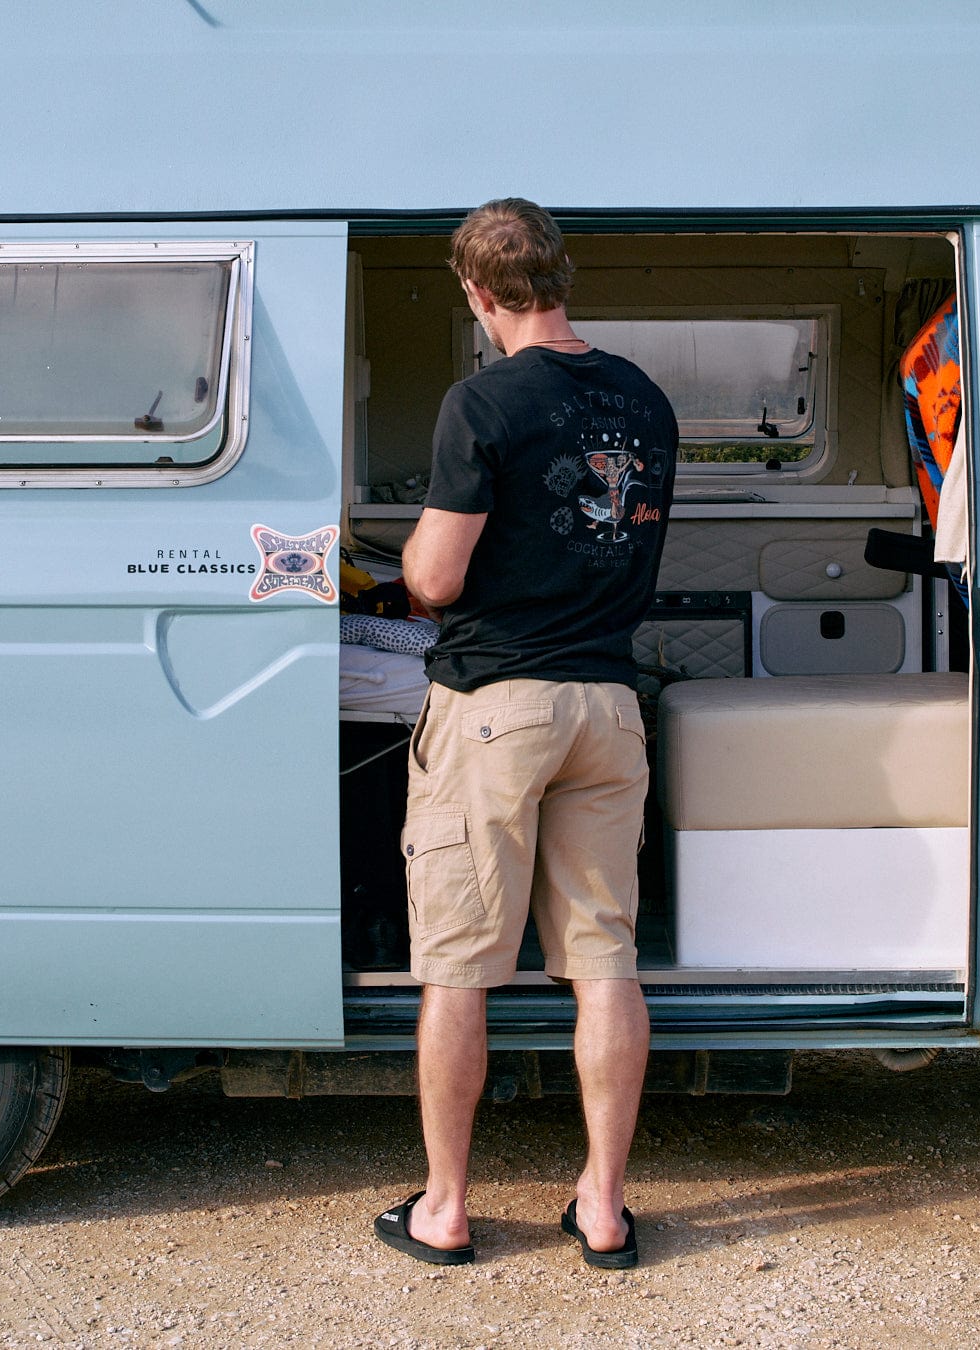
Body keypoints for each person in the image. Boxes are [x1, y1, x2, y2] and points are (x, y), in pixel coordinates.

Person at [373, 198, 678, 1269]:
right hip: (607, 706)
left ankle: (448, 1208)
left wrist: (408, 562)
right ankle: (601, 1206)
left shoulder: (482, 402)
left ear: (478, 293)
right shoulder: (643, 400)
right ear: (562, 276)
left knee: (459, 964)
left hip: (499, 707)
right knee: (605, 960)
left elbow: (437, 577)